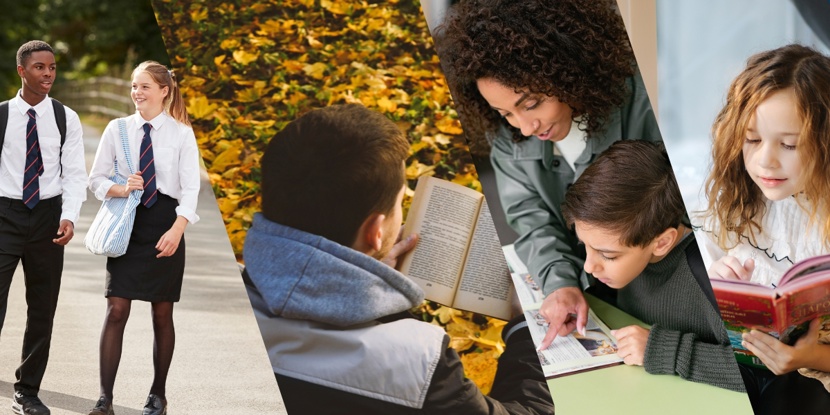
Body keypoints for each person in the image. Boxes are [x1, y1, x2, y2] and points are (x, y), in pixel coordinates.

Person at [243, 104, 554, 414]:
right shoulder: (418, 366)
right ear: (376, 232)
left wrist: (372, 289)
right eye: (400, 202)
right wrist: (527, 323)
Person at [437, 0, 663, 349]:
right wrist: (560, 285)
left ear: (568, 70)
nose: (525, 127)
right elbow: (531, 220)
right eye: (504, 113)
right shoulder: (507, 139)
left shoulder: (648, 103)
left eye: (531, 104)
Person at [696, 44, 830, 414]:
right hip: (747, 361)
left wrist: (813, 355)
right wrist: (719, 285)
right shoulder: (737, 198)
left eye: (789, 144)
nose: (764, 160)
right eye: (752, 139)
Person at [560, 140, 744, 391]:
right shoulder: (623, 254)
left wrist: (661, 350)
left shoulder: (711, 276)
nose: (589, 267)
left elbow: (755, 369)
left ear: (662, 243)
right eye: (585, 246)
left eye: (608, 256)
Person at [86, 61, 200, 415]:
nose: (137, 93)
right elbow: (96, 181)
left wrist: (178, 229)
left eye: (144, 86)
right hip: (128, 225)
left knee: (162, 314)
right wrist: (121, 188)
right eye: (134, 86)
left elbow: (191, 188)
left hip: (166, 224)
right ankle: (105, 399)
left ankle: (158, 396)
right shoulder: (117, 128)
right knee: (116, 309)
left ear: (164, 91)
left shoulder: (181, 133)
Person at [0, 40, 87, 415]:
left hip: (48, 219)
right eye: (39, 67)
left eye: (52, 67)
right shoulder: (2, 115)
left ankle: (27, 391)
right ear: (22, 71)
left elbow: (75, 175)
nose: (48, 73)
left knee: (42, 310)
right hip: (4, 216)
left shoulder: (66, 118)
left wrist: (69, 217)